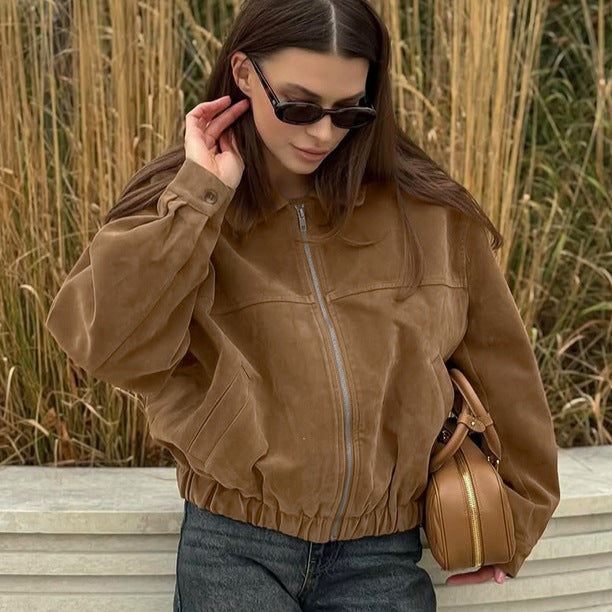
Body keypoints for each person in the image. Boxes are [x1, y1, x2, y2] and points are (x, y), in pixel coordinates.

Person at [44, 0, 561, 610]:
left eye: (349, 111)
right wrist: (200, 199)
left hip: (382, 552)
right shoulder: (183, 204)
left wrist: (516, 519)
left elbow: (504, 371)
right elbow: (106, 346)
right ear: (243, 73)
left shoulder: (429, 214)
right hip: (233, 544)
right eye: (298, 106)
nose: (323, 133)